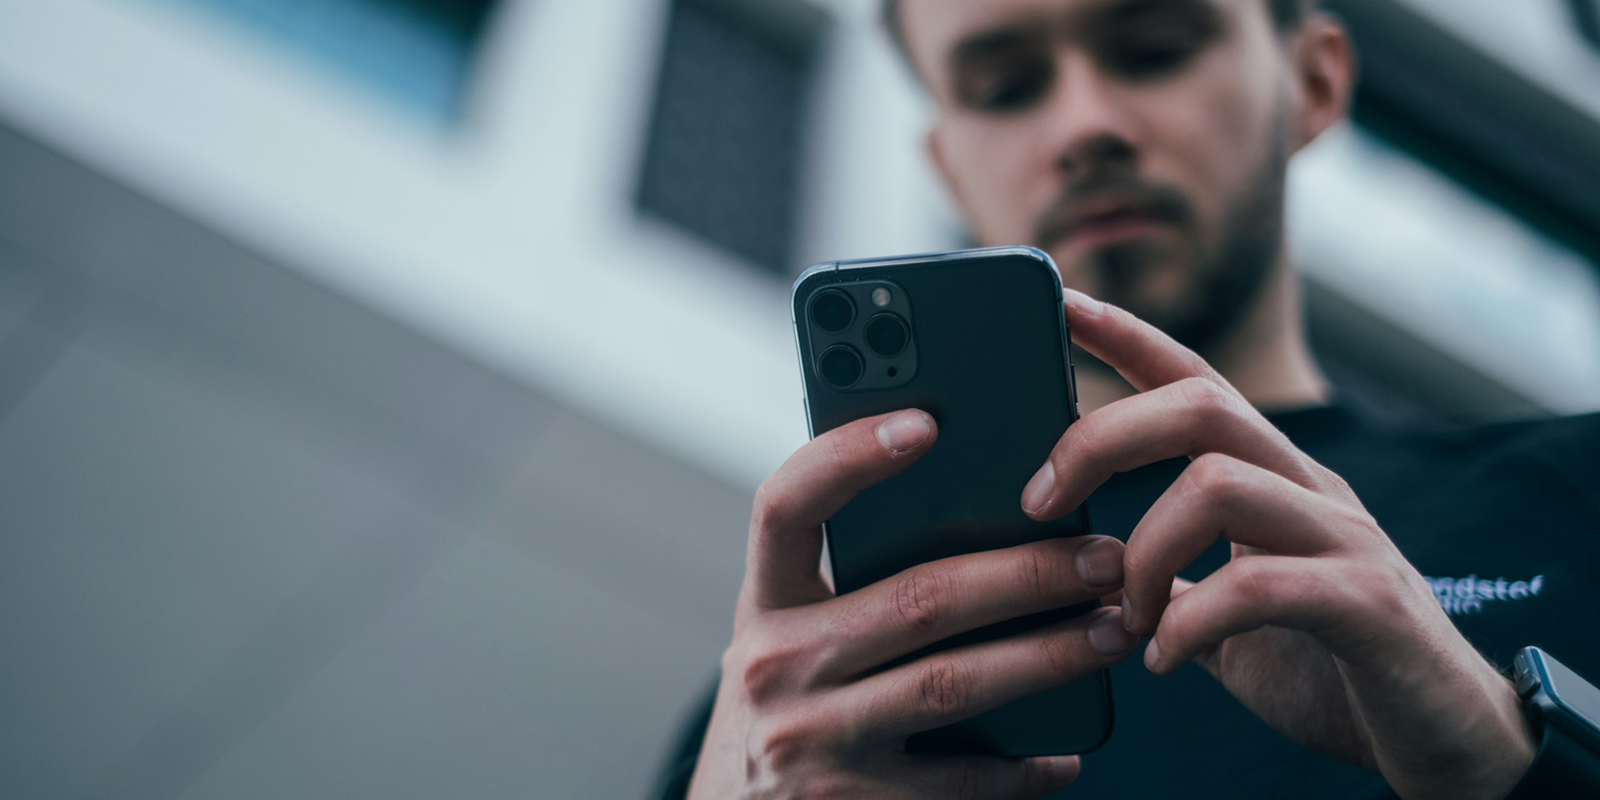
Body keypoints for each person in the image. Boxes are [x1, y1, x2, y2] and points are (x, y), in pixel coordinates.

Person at [654, 0, 1600, 797]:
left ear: (1308, 82)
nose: (1083, 125)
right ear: (949, 167)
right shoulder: (792, 707)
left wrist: (1510, 755)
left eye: (1154, 50)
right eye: (1006, 89)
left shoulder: (1577, 492)